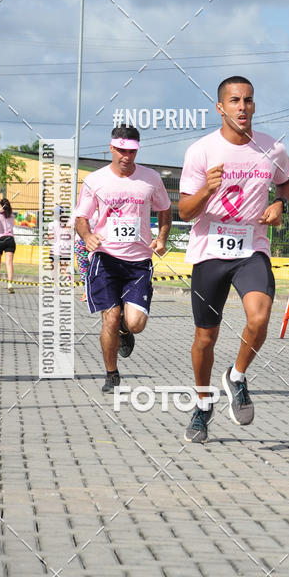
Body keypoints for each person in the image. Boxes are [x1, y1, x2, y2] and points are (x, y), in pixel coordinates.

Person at [178, 75, 289, 444]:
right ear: (220, 107)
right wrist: (206, 190)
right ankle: (202, 403)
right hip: (210, 252)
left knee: (259, 318)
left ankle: (237, 376)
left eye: (247, 100)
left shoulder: (272, 148)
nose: (241, 107)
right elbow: (184, 211)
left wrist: (279, 204)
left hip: (252, 249)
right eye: (234, 100)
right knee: (204, 338)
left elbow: (286, 183)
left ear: (254, 106)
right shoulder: (201, 151)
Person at [74, 125, 172, 393]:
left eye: (131, 151)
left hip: (139, 261)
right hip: (105, 259)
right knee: (110, 317)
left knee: (136, 323)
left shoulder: (150, 178)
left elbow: (165, 209)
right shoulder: (95, 180)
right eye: (121, 150)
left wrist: (162, 237)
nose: (126, 156)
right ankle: (111, 374)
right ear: (111, 148)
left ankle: (125, 333)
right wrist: (87, 236)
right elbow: (81, 218)